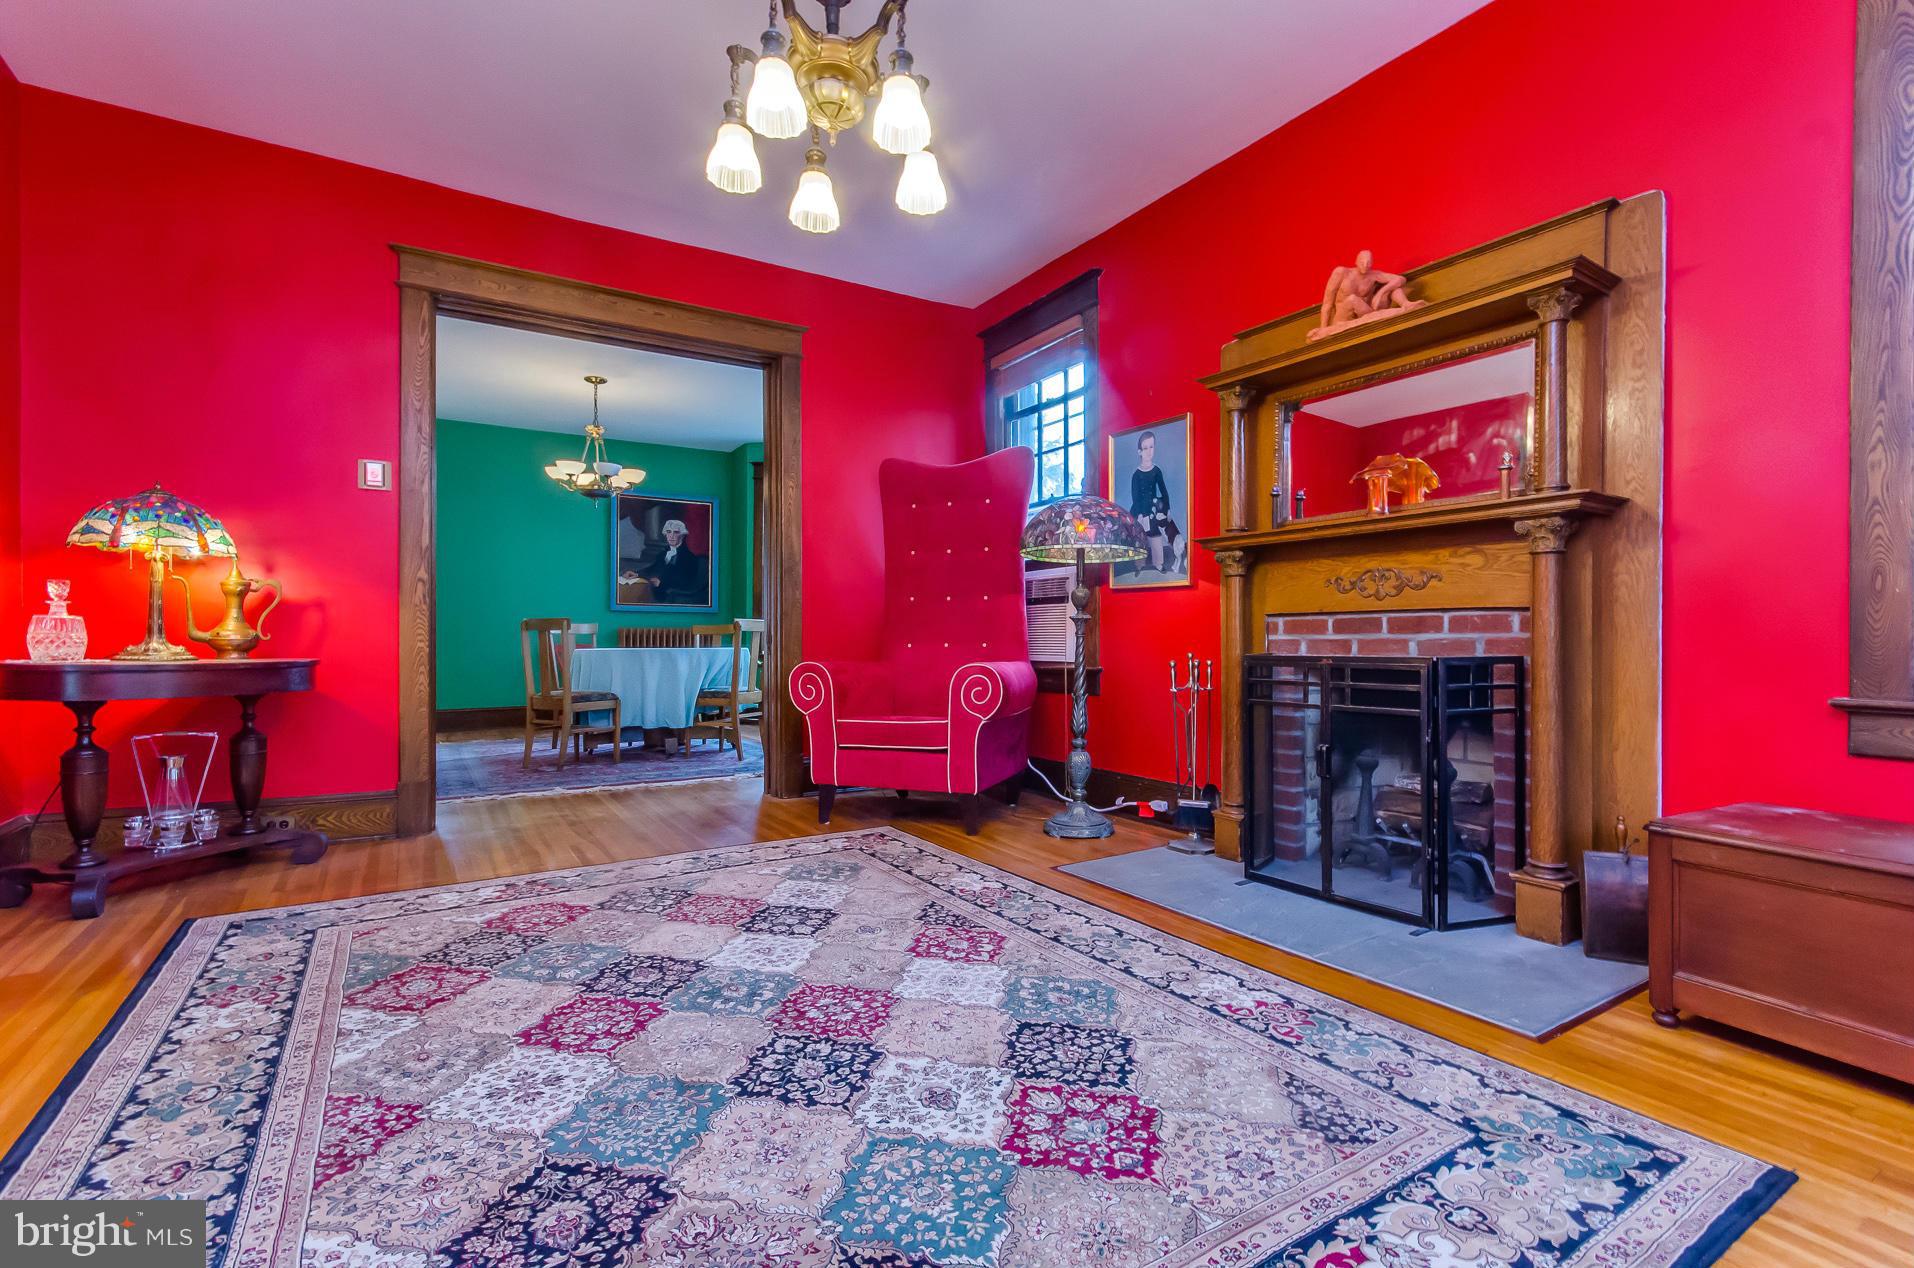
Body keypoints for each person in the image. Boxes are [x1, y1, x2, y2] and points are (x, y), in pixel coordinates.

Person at [1128, 431, 1174, 575]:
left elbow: (1164, 491)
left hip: (1153, 510)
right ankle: (1139, 565)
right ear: (1140, 452)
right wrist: (1140, 514)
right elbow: (1135, 497)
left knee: (1155, 535)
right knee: (1140, 537)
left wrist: (1167, 509)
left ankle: (1158, 563)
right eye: (1145, 448)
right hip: (1139, 511)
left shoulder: (1156, 471)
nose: (1149, 451)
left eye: (1151, 447)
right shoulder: (1136, 475)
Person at [646, 519, 707, 605]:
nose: (671, 536)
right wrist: (636, 574)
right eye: (668, 532)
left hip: (676, 597)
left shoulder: (689, 557)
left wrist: (661, 582)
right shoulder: (662, 554)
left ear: (682, 535)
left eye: (676, 532)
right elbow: (652, 568)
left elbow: (685, 581)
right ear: (665, 534)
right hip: (658, 595)